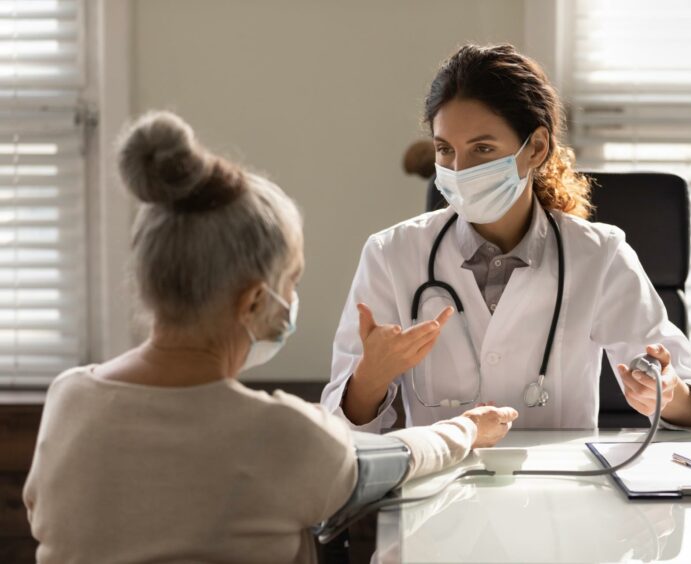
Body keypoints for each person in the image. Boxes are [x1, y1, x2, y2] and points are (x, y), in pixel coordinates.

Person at [22, 111, 518, 564]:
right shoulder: (278, 434)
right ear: (254, 303)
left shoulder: (70, 399)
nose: (292, 299)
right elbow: (395, 460)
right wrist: (469, 428)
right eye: (290, 283)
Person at [322, 44, 691, 432]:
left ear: (535, 148)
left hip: (561, 491)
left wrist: (666, 393)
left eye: (482, 148)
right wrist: (369, 380)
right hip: (441, 488)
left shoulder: (599, 254)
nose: (459, 169)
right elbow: (341, 432)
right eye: (445, 150)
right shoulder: (392, 254)